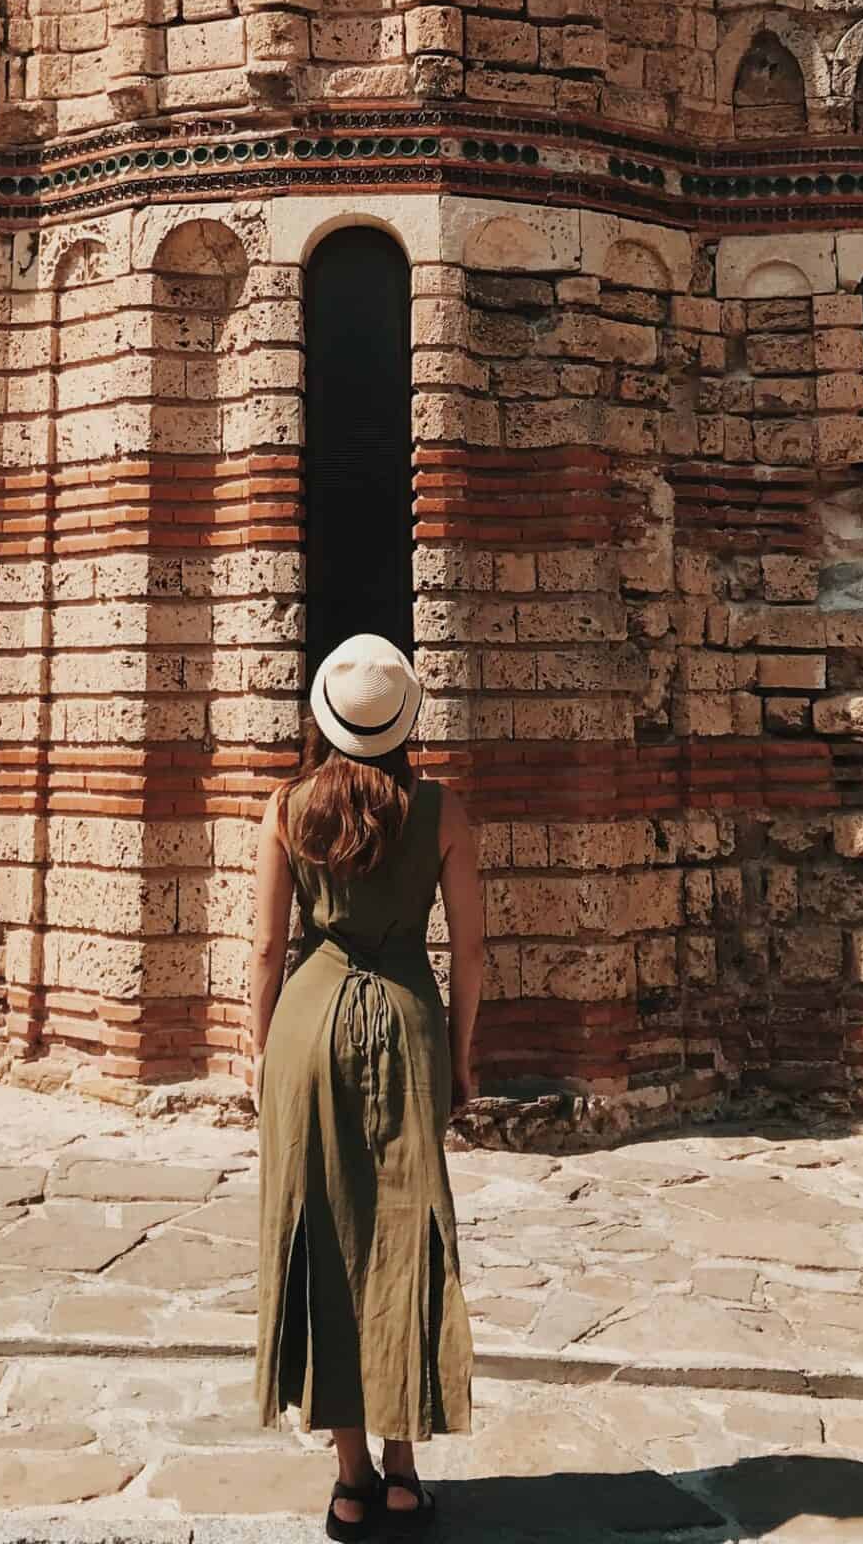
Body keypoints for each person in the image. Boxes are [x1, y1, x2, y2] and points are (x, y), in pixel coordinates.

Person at [253, 633, 483, 1536]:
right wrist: (462, 1055)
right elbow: (468, 949)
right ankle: (399, 1470)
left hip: (307, 1028)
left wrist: (253, 1047)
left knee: (324, 1234)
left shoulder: (285, 808)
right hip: (407, 1015)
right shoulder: (444, 810)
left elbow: (268, 949)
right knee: (404, 1230)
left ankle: (346, 1478)